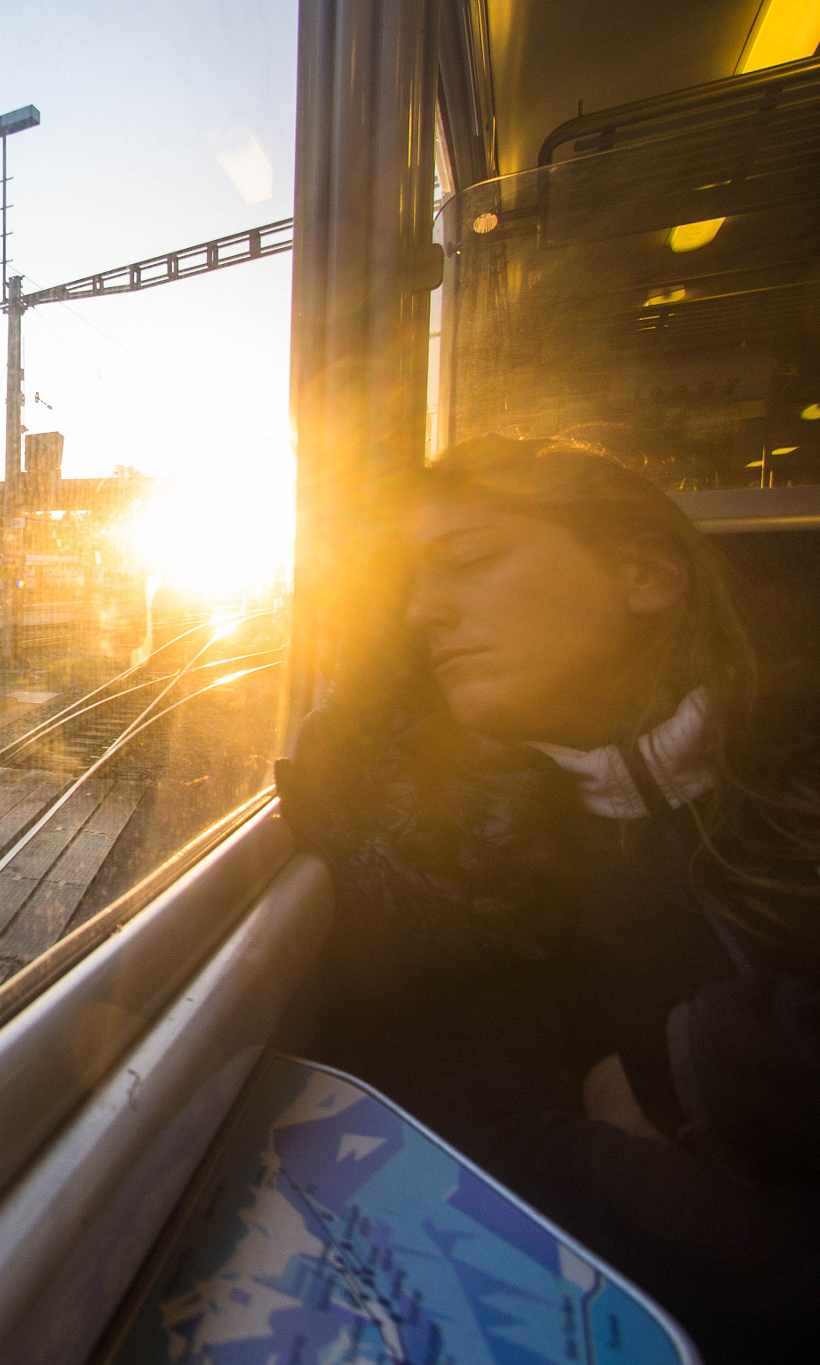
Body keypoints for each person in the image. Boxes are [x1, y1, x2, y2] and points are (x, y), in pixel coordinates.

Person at [276, 436, 820, 1359]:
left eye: (473, 562)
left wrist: (691, 1064)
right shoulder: (479, 857)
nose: (422, 611)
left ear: (643, 575)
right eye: (405, 585)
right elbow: (493, 1150)